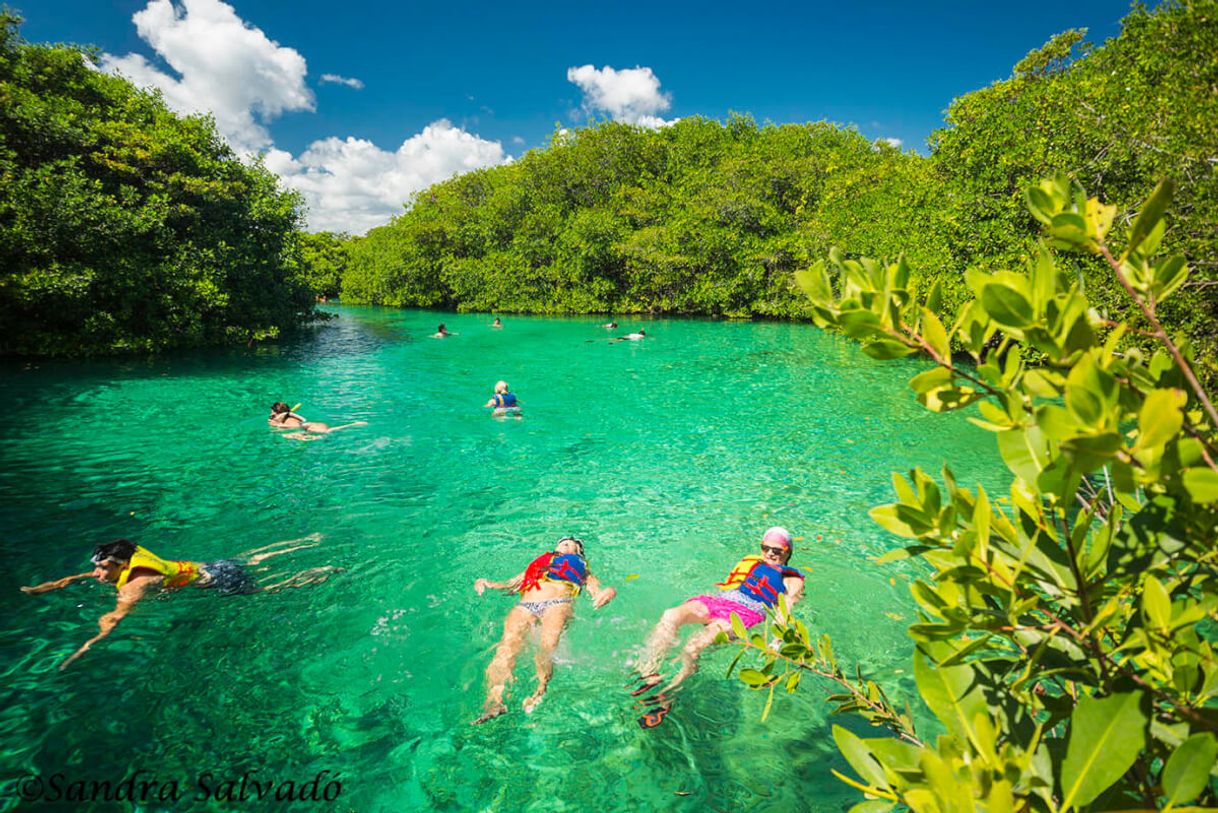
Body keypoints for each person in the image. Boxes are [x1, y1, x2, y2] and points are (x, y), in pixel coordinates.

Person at [21, 535, 335, 670]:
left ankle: (311, 574)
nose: (98, 572)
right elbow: (77, 577)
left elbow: (114, 618)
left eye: (105, 568)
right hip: (208, 565)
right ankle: (307, 541)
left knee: (265, 592)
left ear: (121, 566)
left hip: (216, 580)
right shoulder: (125, 563)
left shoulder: (135, 586)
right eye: (99, 566)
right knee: (249, 558)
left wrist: (85, 647)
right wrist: (43, 588)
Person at [630, 527, 805, 727]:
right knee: (670, 615)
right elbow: (729, 584)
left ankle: (668, 695)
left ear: (788, 551)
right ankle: (648, 673)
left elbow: (786, 608)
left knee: (693, 647)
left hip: (743, 614)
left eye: (777, 549)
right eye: (766, 548)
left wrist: (776, 640)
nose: (770, 553)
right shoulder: (753, 564)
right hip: (720, 602)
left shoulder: (792, 579)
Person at [472, 536, 616, 724]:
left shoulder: (585, 571)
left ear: (579, 552)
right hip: (526, 605)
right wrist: (487, 582)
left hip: (558, 604)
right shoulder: (541, 563)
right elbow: (511, 583)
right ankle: (494, 703)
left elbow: (596, 590)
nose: (567, 542)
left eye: (573, 543)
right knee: (505, 650)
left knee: (546, 648)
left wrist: (608, 592)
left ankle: (539, 691)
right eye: (563, 541)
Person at [268, 402, 367, 436]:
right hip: (317, 424)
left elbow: (296, 426)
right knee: (330, 430)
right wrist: (292, 414)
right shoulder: (290, 416)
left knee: (288, 436)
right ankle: (353, 424)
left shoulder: (277, 421)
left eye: (272, 411)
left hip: (314, 428)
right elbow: (303, 419)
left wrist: (278, 424)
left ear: (276, 412)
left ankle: (353, 424)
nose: (270, 413)